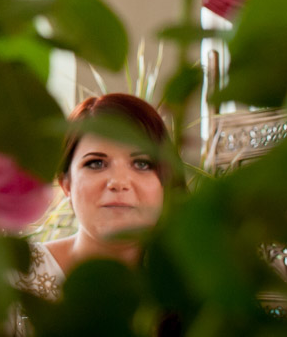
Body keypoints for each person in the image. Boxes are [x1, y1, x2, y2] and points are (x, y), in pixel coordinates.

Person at [21, 93, 177, 303]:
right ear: (66, 184)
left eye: (142, 164)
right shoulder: (17, 281)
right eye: (96, 164)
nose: (119, 182)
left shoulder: (200, 290)